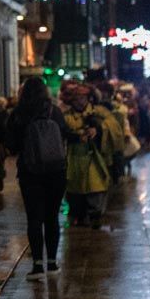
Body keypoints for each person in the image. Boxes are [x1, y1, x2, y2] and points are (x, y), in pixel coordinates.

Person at [4, 77, 69, 279]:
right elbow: (65, 134)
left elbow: (12, 145)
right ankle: (52, 263)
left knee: (34, 218)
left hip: (30, 171)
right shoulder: (54, 111)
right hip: (56, 171)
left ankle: (37, 266)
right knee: (52, 217)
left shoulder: (18, 114)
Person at [59, 83, 115, 230]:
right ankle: (79, 215)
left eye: (83, 97)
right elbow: (62, 133)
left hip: (95, 158)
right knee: (75, 189)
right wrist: (77, 136)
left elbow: (111, 127)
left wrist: (97, 130)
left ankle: (95, 215)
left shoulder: (100, 113)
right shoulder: (66, 116)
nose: (80, 101)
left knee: (95, 186)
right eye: (76, 97)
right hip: (74, 159)